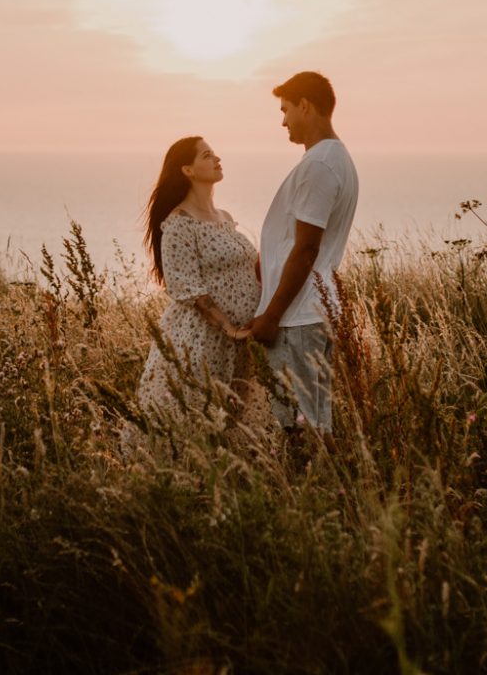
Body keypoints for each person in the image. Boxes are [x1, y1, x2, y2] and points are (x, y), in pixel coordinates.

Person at [243, 71, 358, 436]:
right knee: (307, 421)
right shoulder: (330, 159)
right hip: (307, 312)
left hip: (298, 317)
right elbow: (301, 241)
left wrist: (272, 315)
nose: (283, 120)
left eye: (286, 109)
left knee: (301, 426)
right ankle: (313, 487)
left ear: (305, 106)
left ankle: (317, 489)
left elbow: (307, 248)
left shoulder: (320, 166)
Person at [135, 136, 262, 423]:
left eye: (215, 154)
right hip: (203, 341)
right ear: (187, 170)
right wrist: (229, 328)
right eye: (206, 155)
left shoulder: (225, 217)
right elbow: (187, 288)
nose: (217, 159)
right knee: (199, 417)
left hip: (242, 340)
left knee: (233, 420)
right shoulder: (179, 223)